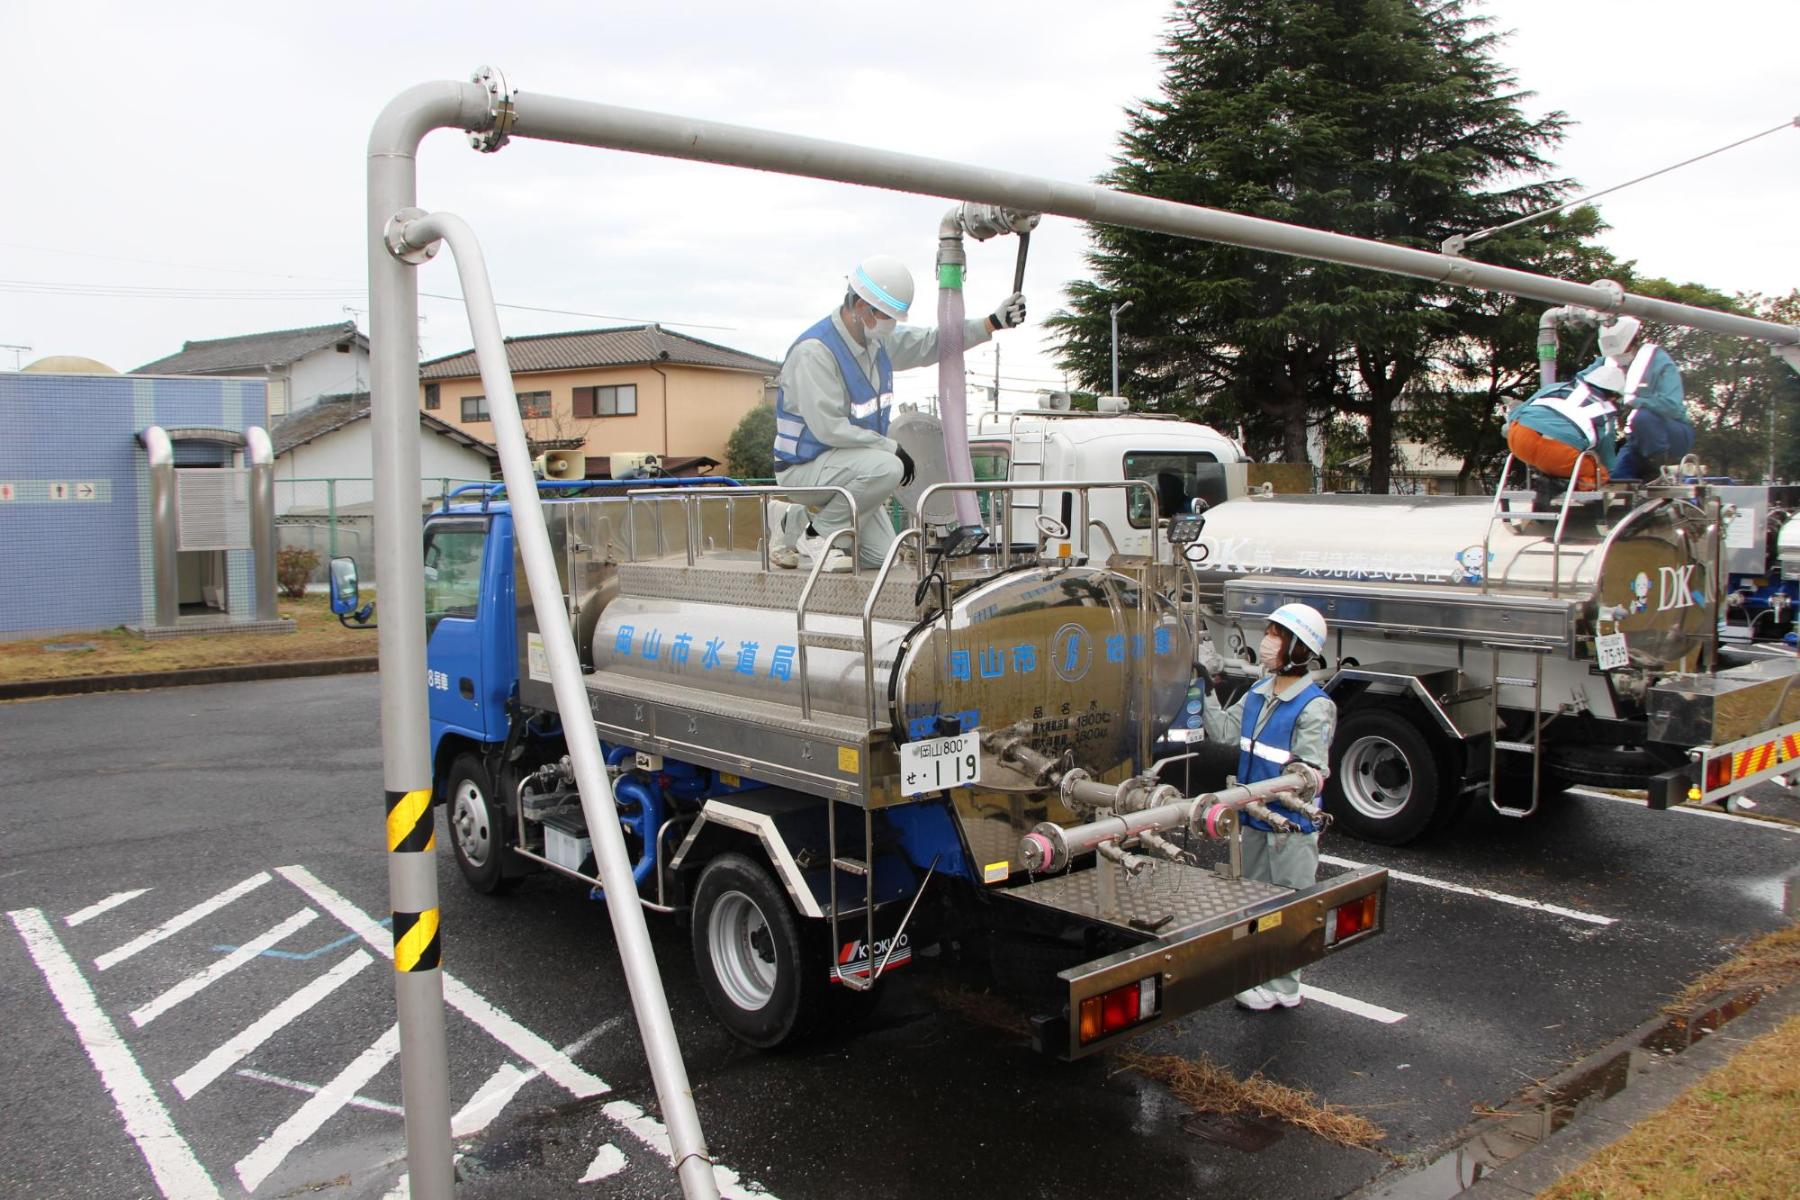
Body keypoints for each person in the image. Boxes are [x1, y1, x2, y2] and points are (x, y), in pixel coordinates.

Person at [769, 254, 1027, 572]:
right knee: (888, 467)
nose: (891, 324)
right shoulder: (815, 352)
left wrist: (992, 323)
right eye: (888, 315)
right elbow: (829, 429)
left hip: (852, 468)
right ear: (862, 307)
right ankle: (817, 534)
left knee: (883, 560)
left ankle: (789, 522)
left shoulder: (876, 342)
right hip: (805, 469)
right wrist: (890, 447)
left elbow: (932, 342)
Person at [1198, 603, 1336, 1012]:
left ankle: (1287, 985)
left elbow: (1310, 773)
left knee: (1291, 904)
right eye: (1269, 632)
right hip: (1252, 821)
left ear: (1298, 648)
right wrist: (1205, 686)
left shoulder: (1314, 705)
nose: (1267, 642)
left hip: (1289, 826)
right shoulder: (1258, 693)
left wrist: (1271, 792)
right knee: (1256, 903)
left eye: (1276, 635)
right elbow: (1223, 729)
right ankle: (1262, 977)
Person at [1593, 316, 1693, 481]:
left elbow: (1673, 406)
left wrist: (1634, 400)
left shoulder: (1660, 362)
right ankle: (1643, 472)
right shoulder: (1606, 363)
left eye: (1623, 351)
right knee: (1616, 481)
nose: (1618, 358)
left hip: (1673, 433)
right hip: (1636, 441)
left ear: (1634, 342)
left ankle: (1658, 468)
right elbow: (1582, 381)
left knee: (1643, 417)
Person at [1503, 359, 1628, 491]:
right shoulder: (1605, 415)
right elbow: (1607, 460)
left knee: (1553, 459)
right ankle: (1560, 486)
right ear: (1613, 396)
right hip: (1557, 452)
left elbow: (1516, 413)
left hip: (1519, 439)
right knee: (1600, 475)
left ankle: (1550, 476)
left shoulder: (1556, 387)